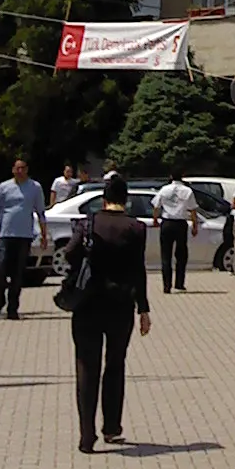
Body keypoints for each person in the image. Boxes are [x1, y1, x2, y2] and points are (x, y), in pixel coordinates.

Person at [65, 169, 150, 451]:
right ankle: (111, 427)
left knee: (86, 367)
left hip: (87, 304)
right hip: (121, 306)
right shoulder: (136, 228)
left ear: (104, 199)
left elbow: (69, 253)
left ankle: (86, 435)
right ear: (125, 199)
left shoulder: (88, 224)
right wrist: (144, 309)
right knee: (114, 365)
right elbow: (139, 271)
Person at [0, 158, 48, 319]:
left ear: (27, 170)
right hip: (5, 236)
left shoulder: (34, 187)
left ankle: (13, 308)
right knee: (0, 270)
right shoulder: (4, 187)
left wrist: (43, 235)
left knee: (18, 274)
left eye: (23, 168)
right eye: (17, 168)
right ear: (13, 170)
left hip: (24, 236)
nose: (20, 171)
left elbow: (41, 212)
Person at [150, 169, 199, 293]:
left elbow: (156, 206)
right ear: (183, 176)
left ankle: (166, 286)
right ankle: (179, 283)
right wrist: (194, 225)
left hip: (167, 222)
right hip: (180, 223)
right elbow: (193, 210)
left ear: (171, 176)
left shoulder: (164, 189)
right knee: (181, 254)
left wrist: (155, 219)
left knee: (166, 255)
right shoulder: (187, 191)